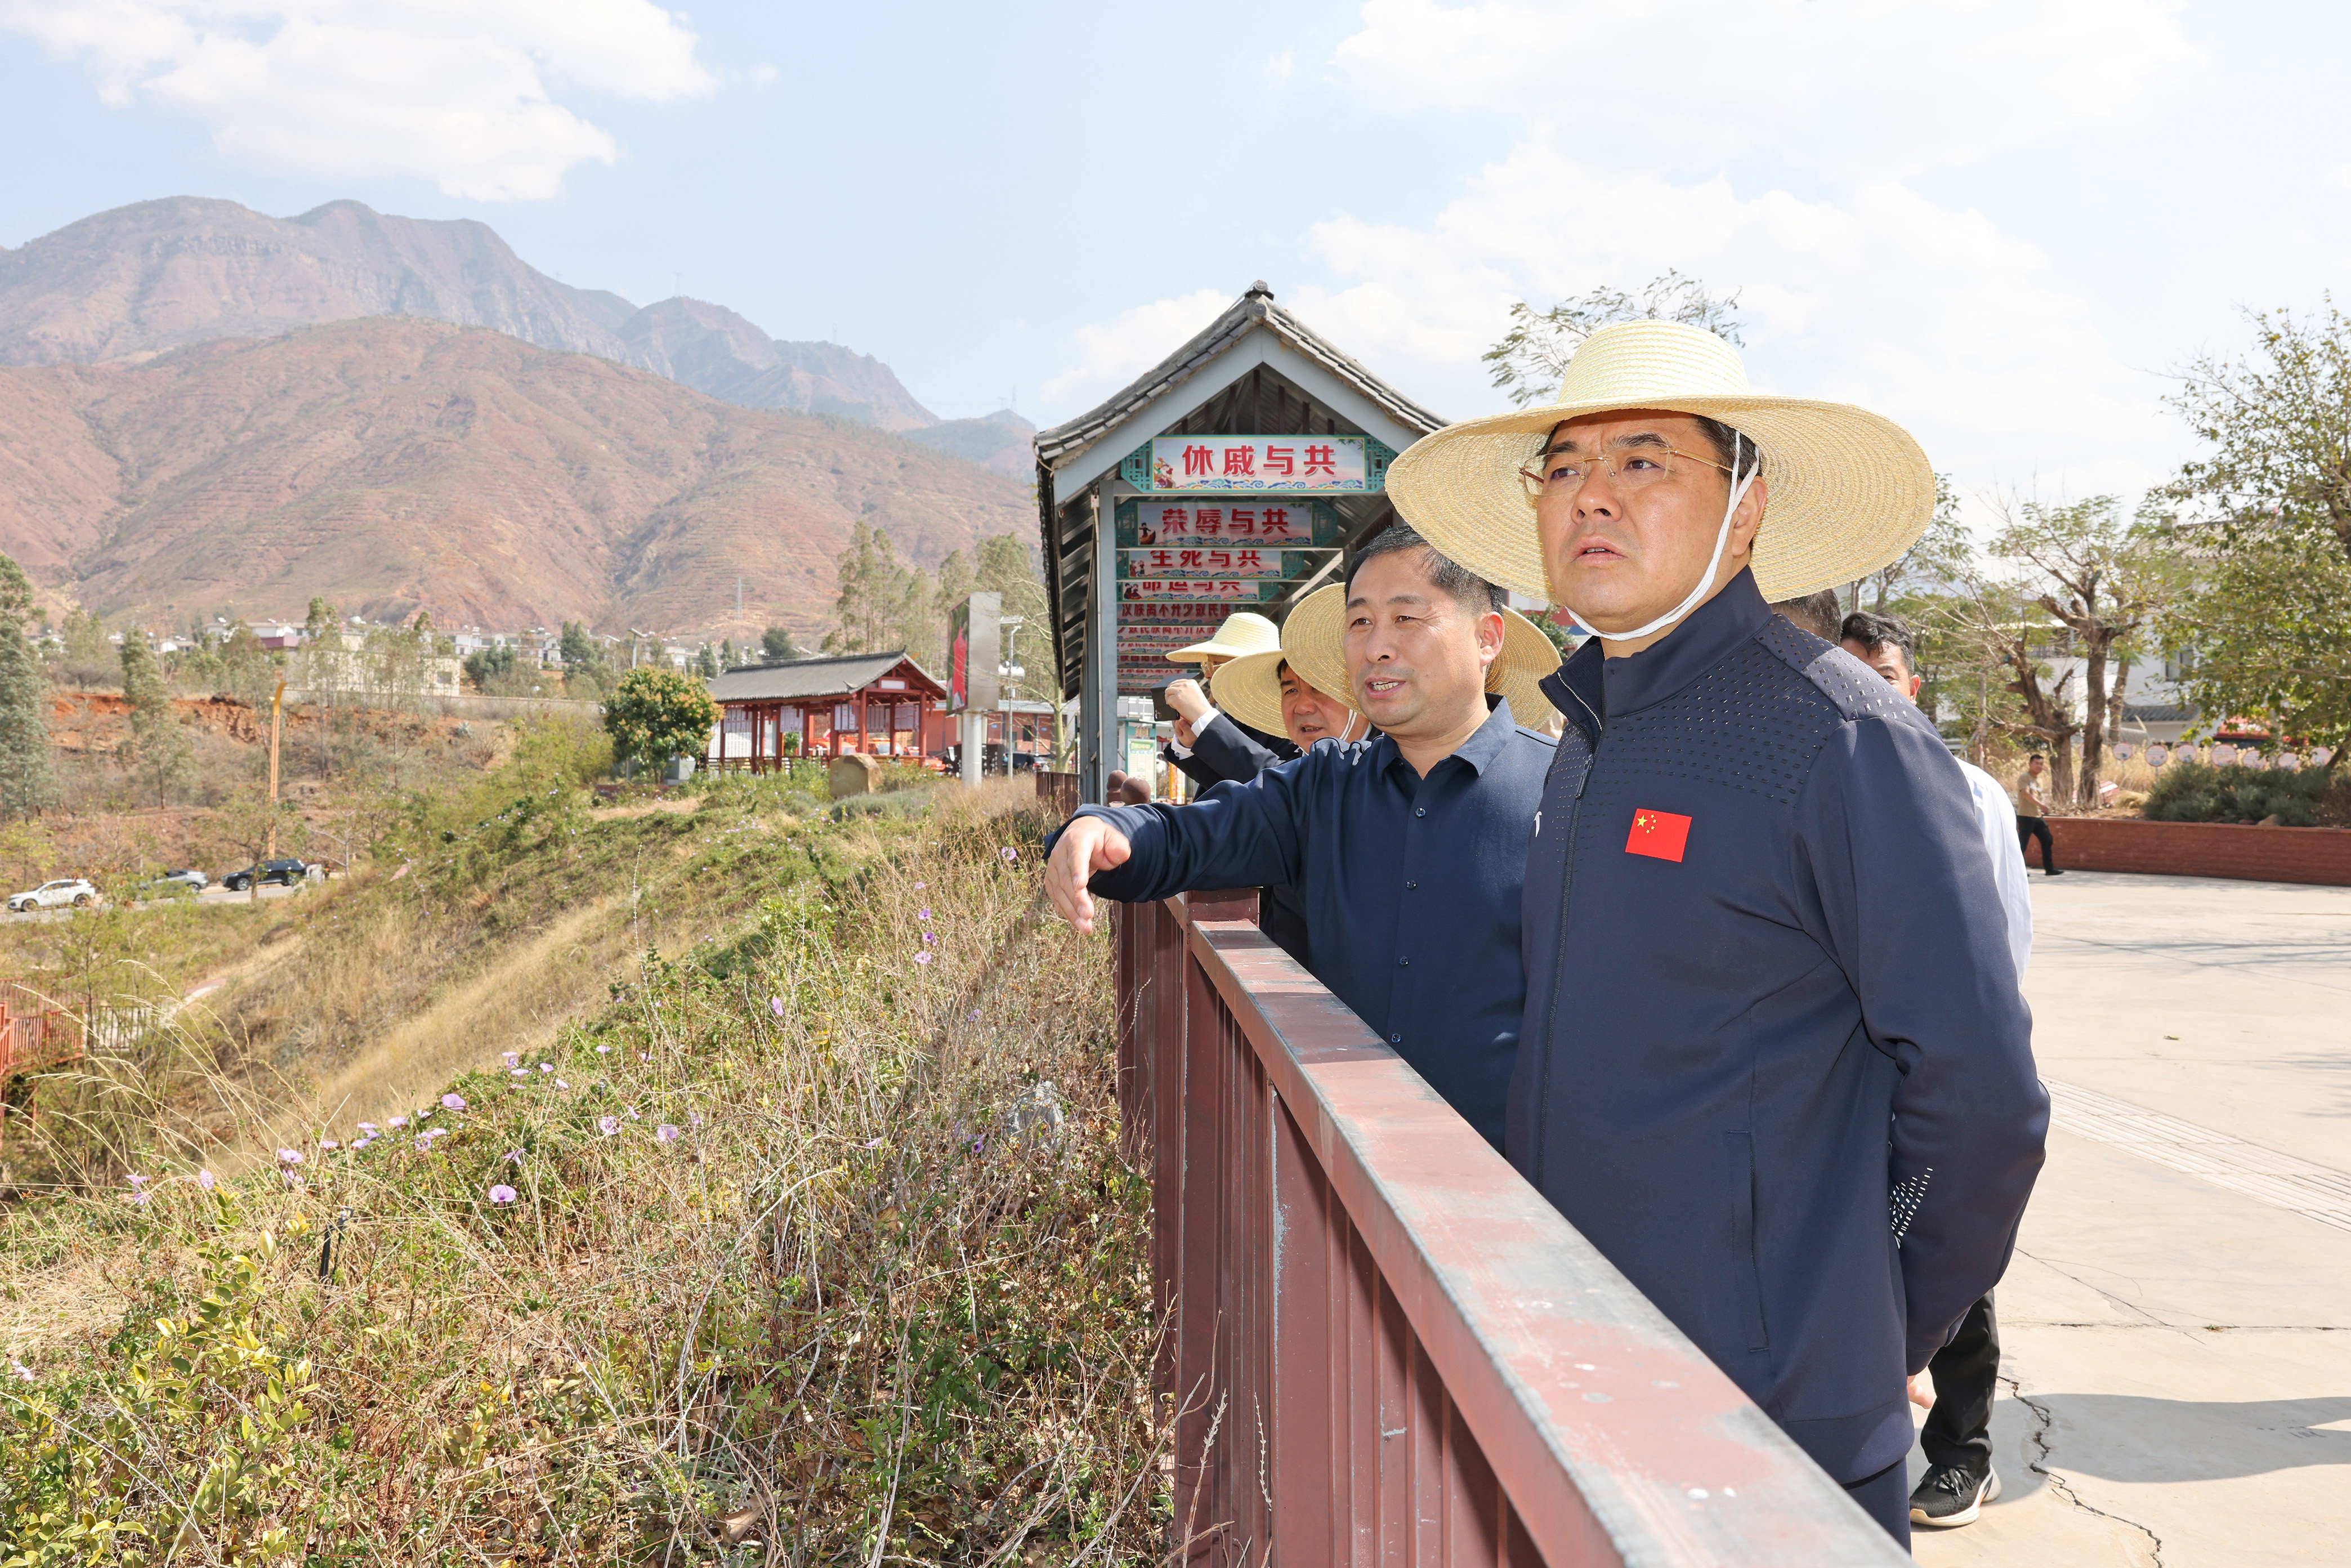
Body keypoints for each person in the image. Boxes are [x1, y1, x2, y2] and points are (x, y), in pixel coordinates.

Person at [1388, 319, 2047, 1546]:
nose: (1592, 494)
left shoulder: (1839, 738)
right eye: (1564, 465)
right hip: (1587, 1384)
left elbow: (1982, 1101)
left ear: (1746, 506)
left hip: (1774, 1431)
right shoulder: (1590, 736)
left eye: (1644, 460)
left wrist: (1865, 1320)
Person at [1044, 526, 1555, 1146]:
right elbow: (1190, 836)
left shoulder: (1564, 792)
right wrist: (1100, 827)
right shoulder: (1324, 786)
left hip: (1504, 1180)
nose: (1377, 647)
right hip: (1336, 1163)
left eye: (1406, 618)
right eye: (1360, 623)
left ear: (1486, 638)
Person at [1837, 609, 2029, 1531]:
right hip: (1839, 1085)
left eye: (1880, 674)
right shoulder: (1816, 782)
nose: (1862, 689)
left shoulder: (1971, 795)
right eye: (1845, 672)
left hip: (1931, 1076)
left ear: (1913, 688)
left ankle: (1964, 1454)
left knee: (1953, 1260)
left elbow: (2004, 948)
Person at [1157, 611, 1295, 790]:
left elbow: (1280, 786)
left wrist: (1206, 719)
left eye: (1214, 664)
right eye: (1205, 665)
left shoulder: (1289, 720)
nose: (1208, 674)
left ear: (1250, 670)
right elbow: (1225, 787)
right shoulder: (1234, 718)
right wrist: (1192, 742)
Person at [2015, 755, 2061, 875]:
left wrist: (2043, 806)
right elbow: (2026, 794)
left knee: (2047, 839)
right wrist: (2041, 805)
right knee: (2022, 845)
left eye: (2041, 764)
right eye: (2036, 763)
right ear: (2030, 764)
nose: (2039, 766)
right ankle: (2019, 871)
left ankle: (2049, 869)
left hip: (2037, 817)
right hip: (2025, 816)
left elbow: (2038, 796)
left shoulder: (2039, 780)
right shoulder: (2025, 777)